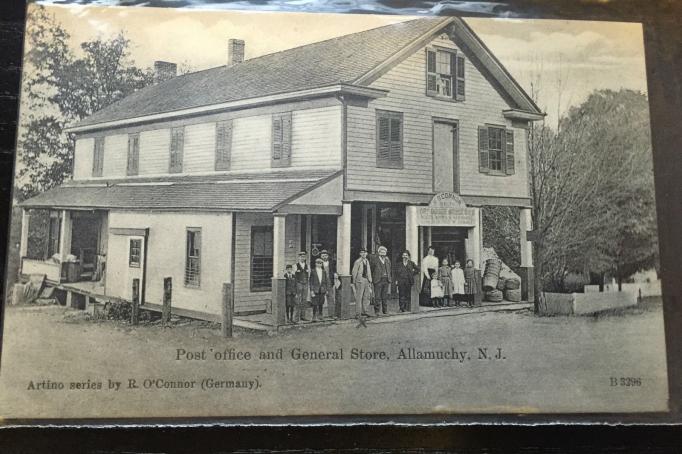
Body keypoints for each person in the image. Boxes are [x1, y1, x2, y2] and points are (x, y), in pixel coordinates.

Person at [370, 245, 392, 315]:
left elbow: (389, 269)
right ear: (379, 252)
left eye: (384, 251)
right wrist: (373, 278)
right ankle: (377, 311)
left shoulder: (387, 260)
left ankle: (385, 310)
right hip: (378, 280)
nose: (383, 253)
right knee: (377, 296)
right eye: (381, 251)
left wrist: (389, 278)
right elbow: (371, 269)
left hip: (386, 280)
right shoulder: (375, 260)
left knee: (384, 296)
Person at [351, 247, 373, 317]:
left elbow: (369, 271)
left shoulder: (367, 261)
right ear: (360, 254)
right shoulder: (357, 262)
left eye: (365, 252)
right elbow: (354, 272)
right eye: (362, 252)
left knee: (366, 297)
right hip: (360, 280)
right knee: (359, 297)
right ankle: (358, 313)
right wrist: (353, 282)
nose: (364, 254)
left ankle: (365, 311)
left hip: (366, 280)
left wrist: (370, 280)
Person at [319, 250, 337, 318]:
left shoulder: (332, 262)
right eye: (323, 255)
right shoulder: (318, 263)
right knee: (321, 298)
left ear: (328, 256)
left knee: (331, 298)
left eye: (326, 255)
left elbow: (334, 270)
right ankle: (320, 315)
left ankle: (331, 314)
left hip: (329, 282)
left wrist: (335, 274)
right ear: (321, 256)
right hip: (321, 283)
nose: (324, 257)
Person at [294, 251, 310, 322]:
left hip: (305, 284)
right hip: (298, 284)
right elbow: (293, 277)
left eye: (304, 257)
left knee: (304, 300)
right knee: (298, 301)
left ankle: (303, 316)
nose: (302, 258)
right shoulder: (295, 266)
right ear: (298, 257)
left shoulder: (307, 266)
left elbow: (308, 275)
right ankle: (296, 318)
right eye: (301, 257)